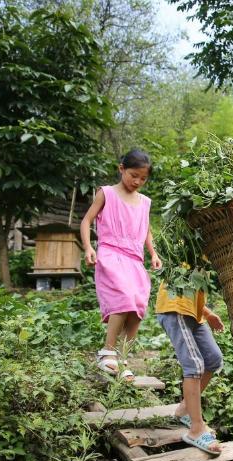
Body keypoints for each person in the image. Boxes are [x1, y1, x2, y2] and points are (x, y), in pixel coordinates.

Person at [80, 149, 161, 378]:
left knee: (138, 307)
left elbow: (146, 230)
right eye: (134, 175)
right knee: (124, 299)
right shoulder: (106, 193)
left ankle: (122, 358)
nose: (137, 182)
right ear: (121, 169)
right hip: (111, 254)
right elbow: (86, 221)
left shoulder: (144, 202)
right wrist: (88, 247)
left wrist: (153, 253)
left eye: (143, 178)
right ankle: (107, 352)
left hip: (135, 259)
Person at [155, 282, 225, 454]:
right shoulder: (178, 263)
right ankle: (196, 429)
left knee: (213, 359)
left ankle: (185, 408)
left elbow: (193, 290)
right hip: (175, 310)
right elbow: (175, 279)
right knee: (194, 365)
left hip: (195, 314)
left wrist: (207, 313)